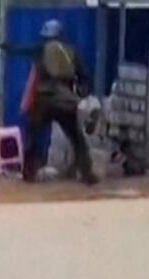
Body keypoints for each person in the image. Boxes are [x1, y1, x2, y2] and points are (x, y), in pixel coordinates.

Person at [7, 19, 98, 184]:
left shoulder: (41, 50)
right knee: (77, 138)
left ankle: (28, 173)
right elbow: (83, 75)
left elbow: (23, 50)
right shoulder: (71, 52)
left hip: (43, 101)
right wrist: (83, 94)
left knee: (33, 137)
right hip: (65, 101)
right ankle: (87, 173)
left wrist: (8, 47)